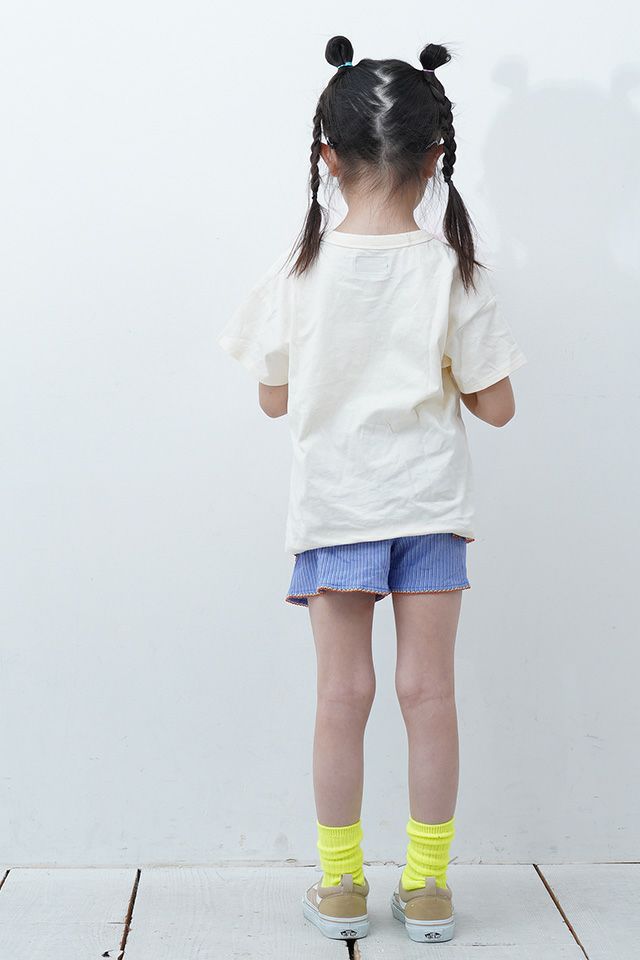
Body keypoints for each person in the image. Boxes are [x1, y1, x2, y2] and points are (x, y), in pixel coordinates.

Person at [219, 35, 527, 945]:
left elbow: (273, 399)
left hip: (337, 510)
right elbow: (499, 408)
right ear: (436, 157)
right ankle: (427, 887)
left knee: (340, 697)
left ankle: (342, 883)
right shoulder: (453, 270)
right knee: (429, 695)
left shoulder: (298, 272)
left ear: (327, 155)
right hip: (428, 506)